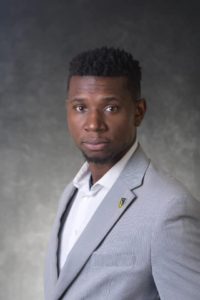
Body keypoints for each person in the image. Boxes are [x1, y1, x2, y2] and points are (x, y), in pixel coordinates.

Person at [44, 47, 200, 300]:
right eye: (80, 107)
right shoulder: (71, 194)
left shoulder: (169, 209)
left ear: (138, 112)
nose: (94, 124)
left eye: (111, 108)